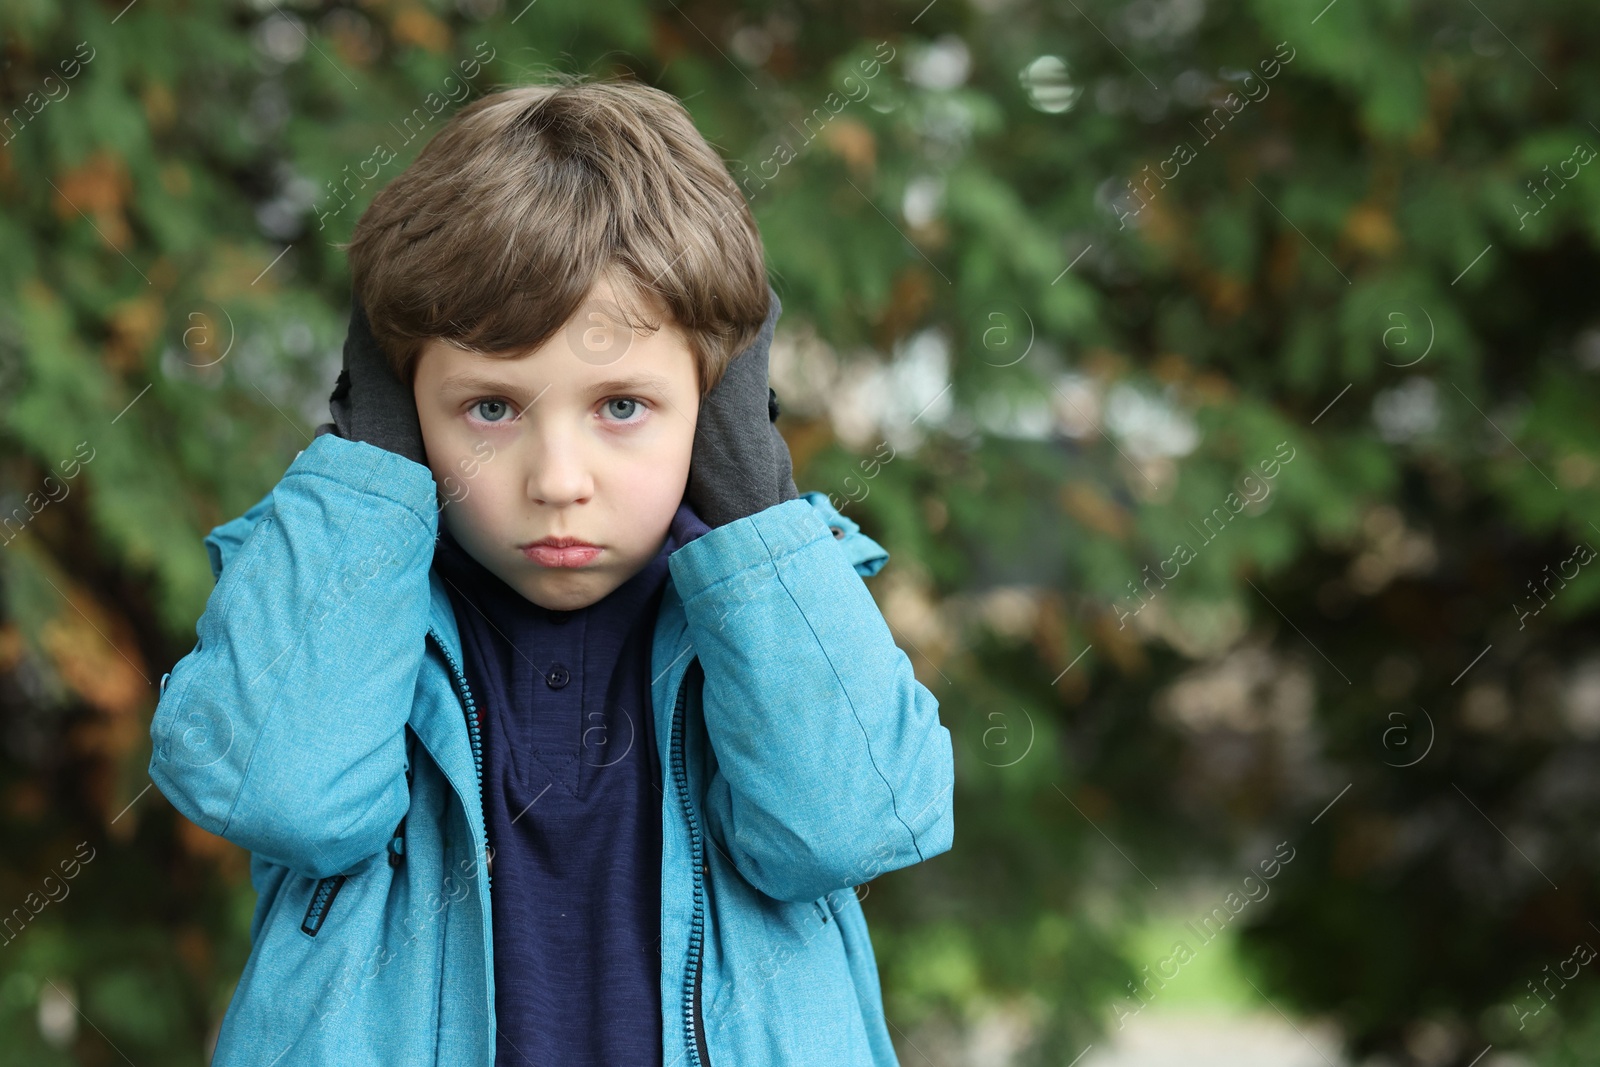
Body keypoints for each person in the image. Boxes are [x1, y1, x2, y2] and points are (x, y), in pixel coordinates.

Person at [147, 75, 955, 1067]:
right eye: (491, 407)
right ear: (402, 406)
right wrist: (371, 465)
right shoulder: (348, 606)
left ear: (715, 400)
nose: (558, 481)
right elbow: (281, 791)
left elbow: (848, 823)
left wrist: (754, 497)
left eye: (622, 405)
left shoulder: (761, 618)